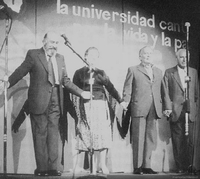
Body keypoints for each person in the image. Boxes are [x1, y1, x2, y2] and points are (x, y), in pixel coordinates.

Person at [7, 31, 91, 176]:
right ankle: (42, 169)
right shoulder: (33, 55)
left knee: (53, 135)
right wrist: (8, 82)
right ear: (44, 41)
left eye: (57, 43)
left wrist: (81, 92)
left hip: (56, 101)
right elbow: (21, 71)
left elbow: (65, 81)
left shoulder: (60, 58)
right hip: (38, 100)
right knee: (40, 134)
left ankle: (53, 168)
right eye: (52, 42)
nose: (54, 45)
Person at [72, 47, 125, 174]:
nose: (93, 58)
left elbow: (110, 87)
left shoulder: (101, 72)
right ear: (85, 57)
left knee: (102, 135)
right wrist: (82, 94)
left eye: (96, 56)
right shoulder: (79, 72)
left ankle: (103, 165)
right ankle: (92, 166)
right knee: (88, 135)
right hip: (86, 106)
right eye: (91, 55)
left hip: (101, 105)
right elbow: (73, 88)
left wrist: (121, 100)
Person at [122, 46, 166, 174]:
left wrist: (166, 106)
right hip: (139, 107)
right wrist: (125, 100)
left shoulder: (158, 71)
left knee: (150, 138)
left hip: (154, 107)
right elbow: (127, 87)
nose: (148, 55)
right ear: (140, 56)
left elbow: (163, 91)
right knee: (138, 137)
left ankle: (147, 165)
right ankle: (137, 166)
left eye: (150, 53)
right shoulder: (133, 69)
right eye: (145, 53)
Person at [163, 48, 199, 173]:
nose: (184, 60)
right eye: (181, 57)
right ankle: (180, 167)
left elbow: (196, 93)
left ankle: (190, 165)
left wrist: (195, 107)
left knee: (190, 140)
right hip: (176, 110)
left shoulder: (193, 72)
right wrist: (168, 108)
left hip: (190, 111)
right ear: (176, 58)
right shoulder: (169, 72)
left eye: (186, 57)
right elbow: (165, 93)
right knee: (178, 140)